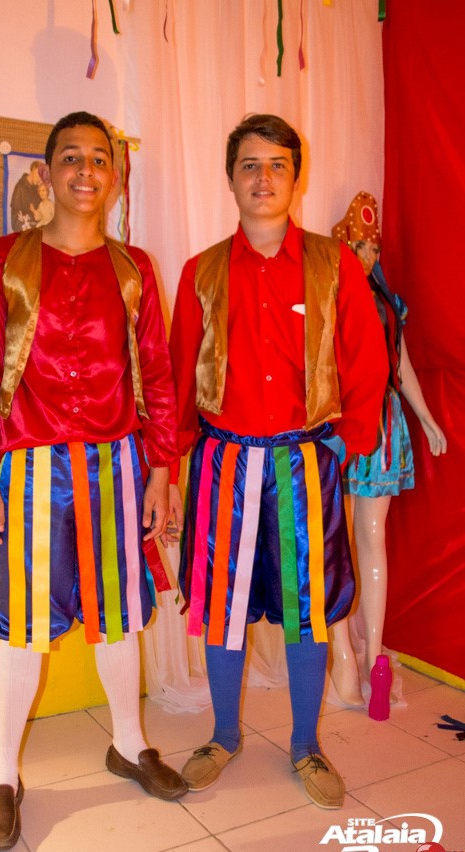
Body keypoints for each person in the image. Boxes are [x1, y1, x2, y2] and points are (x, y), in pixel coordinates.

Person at [0, 110, 187, 852]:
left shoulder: (133, 268)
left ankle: (128, 743)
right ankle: (2, 775)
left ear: (114, 176)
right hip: (31, 469)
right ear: (48, 170)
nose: (86, 171)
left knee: (119, 614)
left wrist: (161, 470)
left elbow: (158, 374)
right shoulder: (6, 259)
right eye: (71, 157)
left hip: (116, 466)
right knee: (24, 623)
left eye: (99, 158)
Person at [168, 114, 387, 809]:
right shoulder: (201, 272)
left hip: (302, 464)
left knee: (307, 609)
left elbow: (367, 360)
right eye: (249, 165)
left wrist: (347, 443)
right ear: (230, 178)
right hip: (223, 464)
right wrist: (169, 470)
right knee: (222, 606)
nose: (263, 178)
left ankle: (306, 744)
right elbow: (178, 374)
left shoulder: (333, 264)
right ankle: (222, 735)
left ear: (296, 176)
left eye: (277, 165)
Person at [328, 192, 447, 706]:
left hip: (379, 424)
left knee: (364, 539)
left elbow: (401, 366)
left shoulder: (384, 301)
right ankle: (347, 657)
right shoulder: (330, 294)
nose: (367, 255)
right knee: (337, 542)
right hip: (338, 427)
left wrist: (427, 418)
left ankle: (369, 657)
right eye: (358, 245)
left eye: (373, 247)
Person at [10, 159, 43, 231]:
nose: (40, 179)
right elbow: (15, 216)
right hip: (24, 229)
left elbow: (41, 211)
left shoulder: (38, 190)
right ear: (33, 169)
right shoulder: (20, 187)